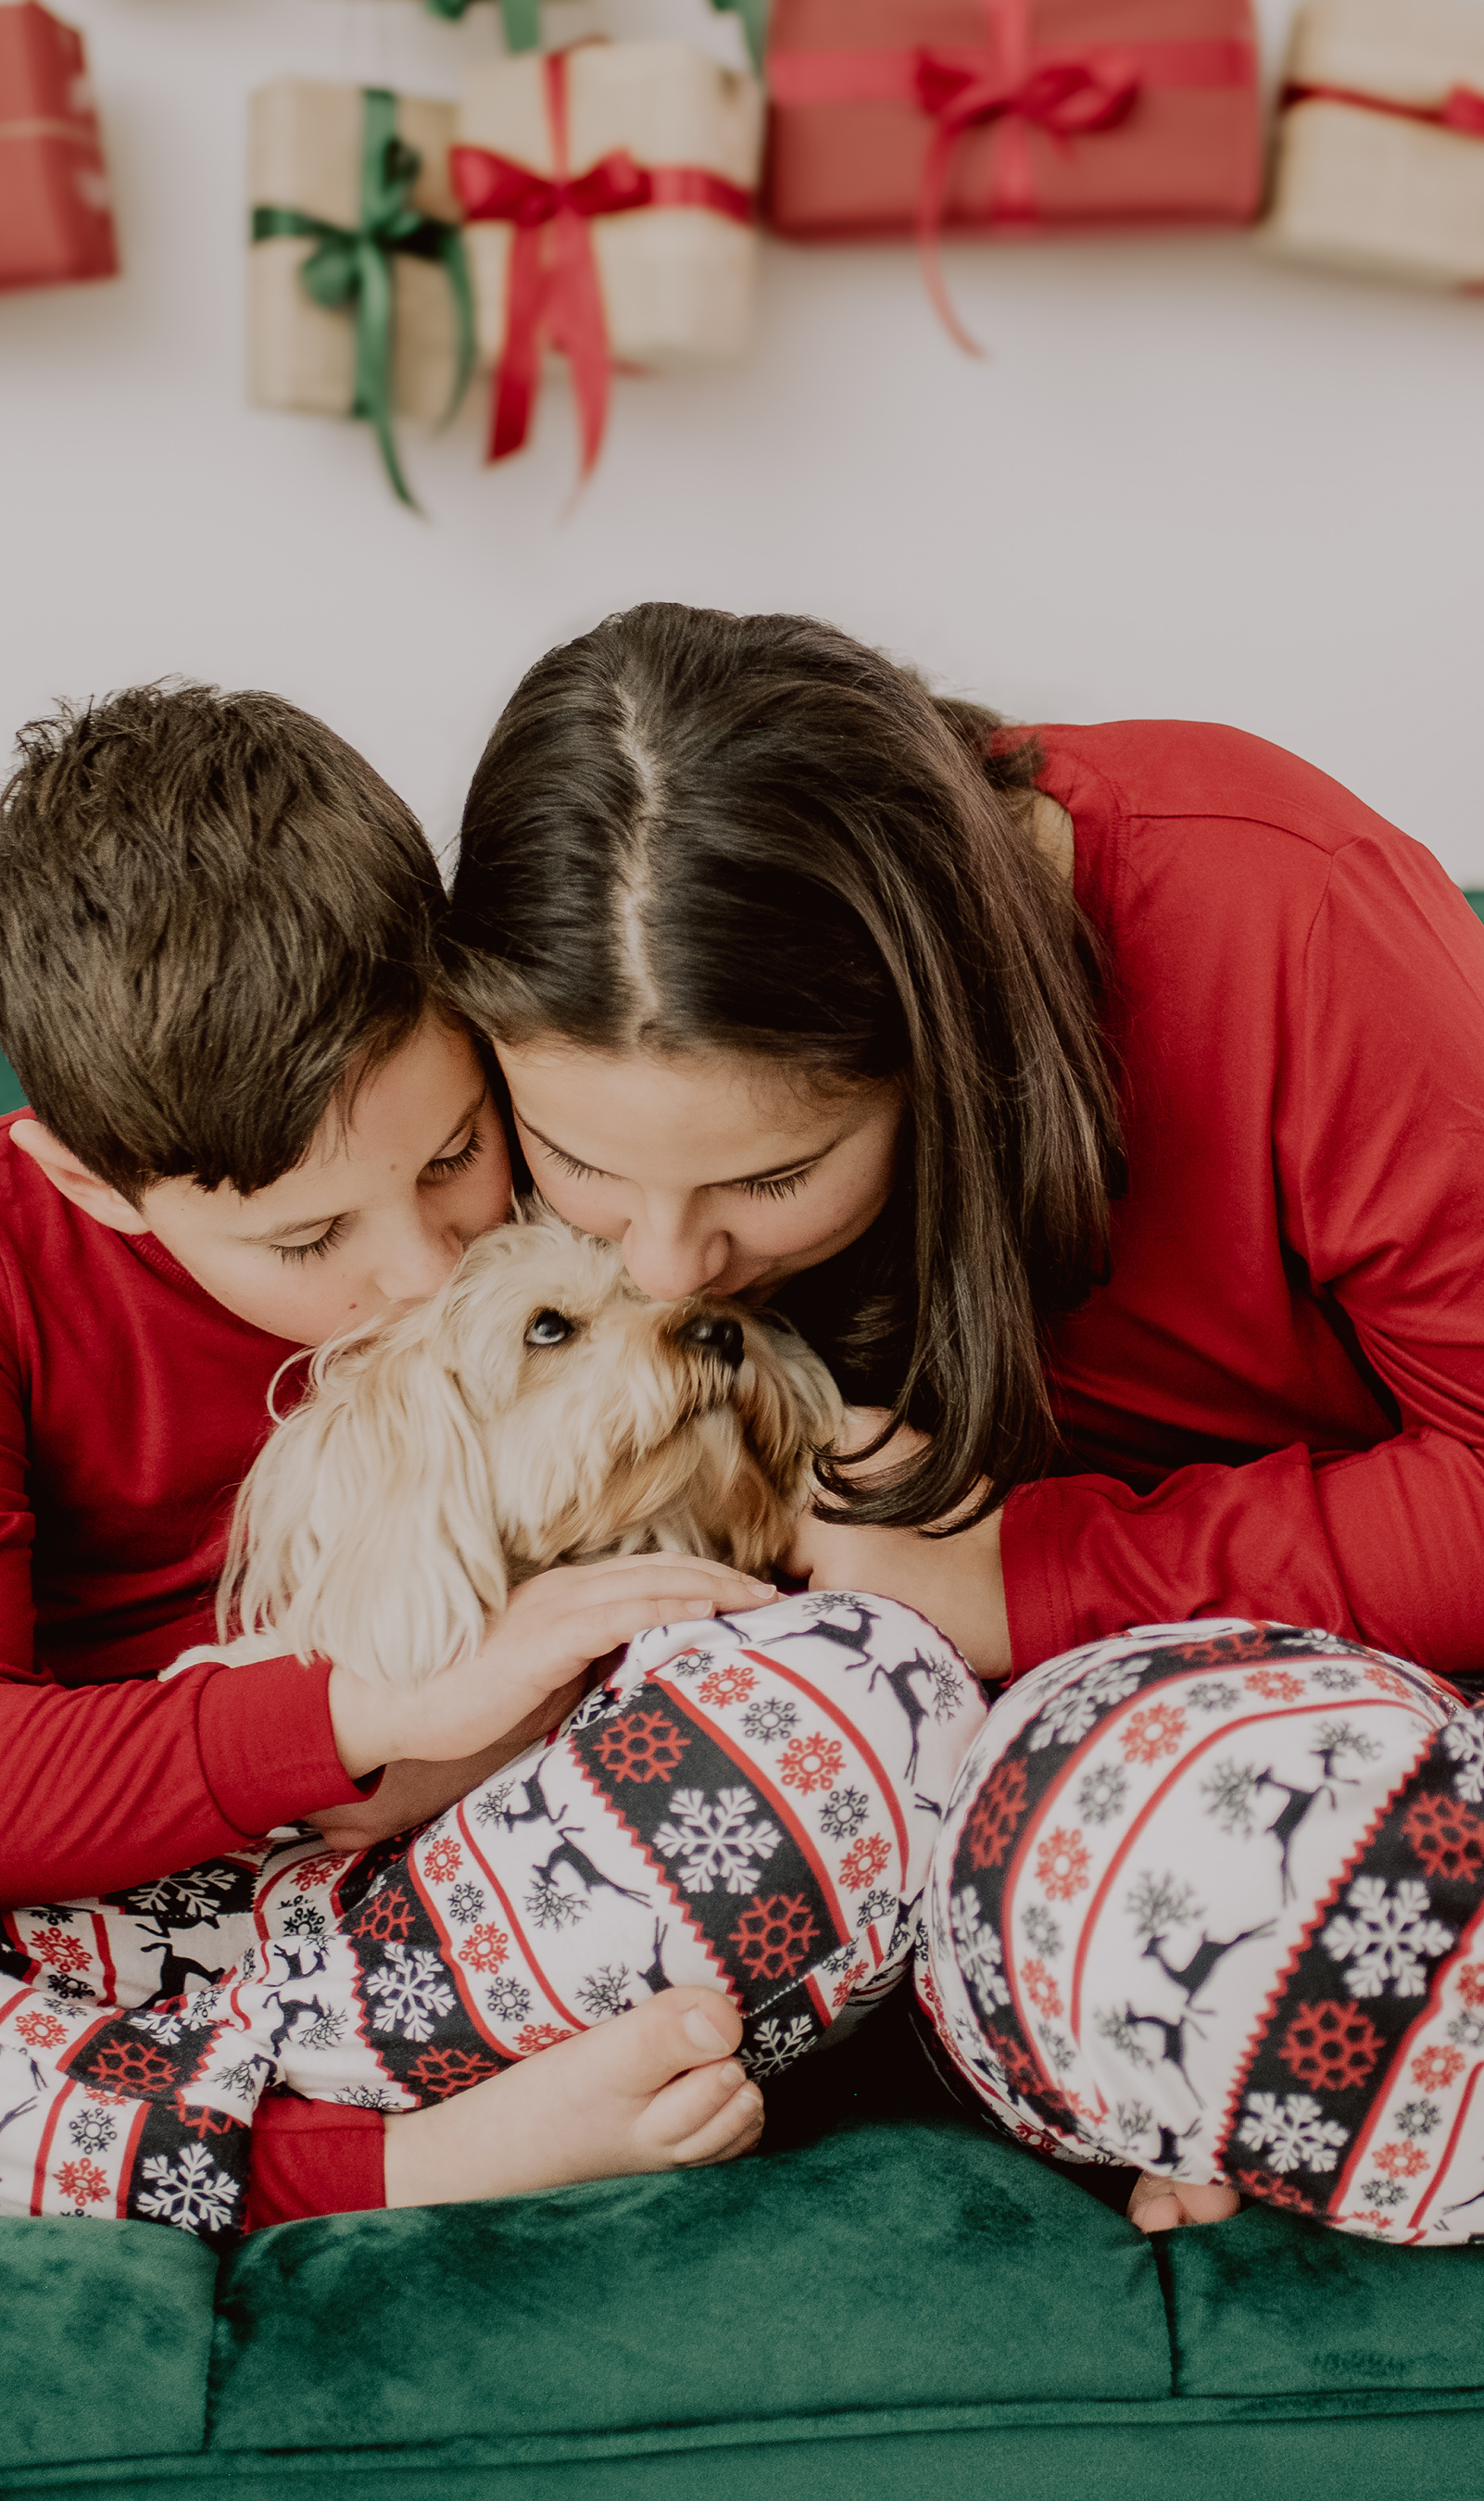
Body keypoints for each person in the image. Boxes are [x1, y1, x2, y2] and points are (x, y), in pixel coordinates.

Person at [0, 681, 987, 2240]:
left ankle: (185, 2111)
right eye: (308, 1238)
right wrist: (371, 1721)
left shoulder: (585, 1134)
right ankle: (394, 2157)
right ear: (96, 1186)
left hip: (474, 1887)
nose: (434, 1270)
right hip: (94, 1898)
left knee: (858, 1704)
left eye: (454, 1162)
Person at [441, 602, 1484, 2246]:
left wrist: (1036, 1580)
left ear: (945, 1039)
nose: (667, 1263)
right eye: (579, 1162)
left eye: (774, 1177)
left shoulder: (1280, 909)